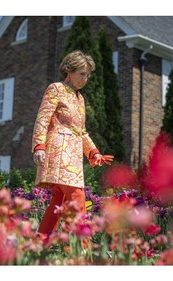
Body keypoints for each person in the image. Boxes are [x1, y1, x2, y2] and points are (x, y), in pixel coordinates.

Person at [32, 50, 114, 236]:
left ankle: (40, 244)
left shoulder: (80, 99)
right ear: (69, 71)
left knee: (58, 202)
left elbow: (81, 131)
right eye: (82, 74)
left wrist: (93, 152)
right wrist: (39, 146)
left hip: (74, 156)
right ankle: (82, 249)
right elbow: (42, 119)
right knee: (77, 197)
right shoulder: (56, 88)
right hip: (58, 151)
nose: (85, 79)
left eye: (88, 75)